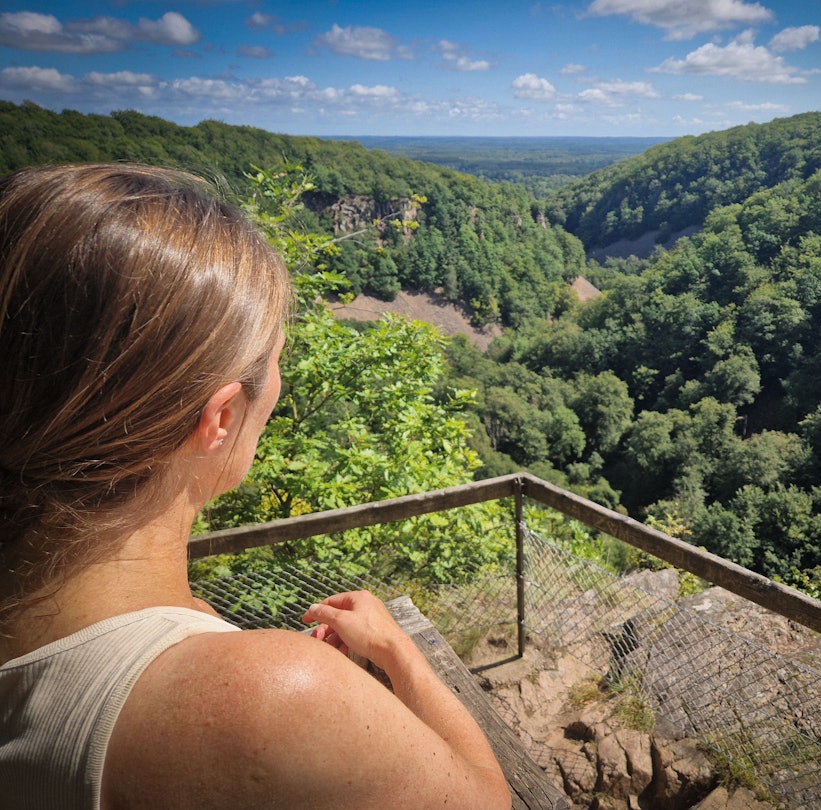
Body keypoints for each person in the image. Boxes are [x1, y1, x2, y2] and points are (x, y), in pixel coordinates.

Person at [0, 163, 511, 810]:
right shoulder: (274, 697)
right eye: (273, 363)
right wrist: (396, 651)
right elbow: (489, 802)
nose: (278, 386)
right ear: (217, 419)